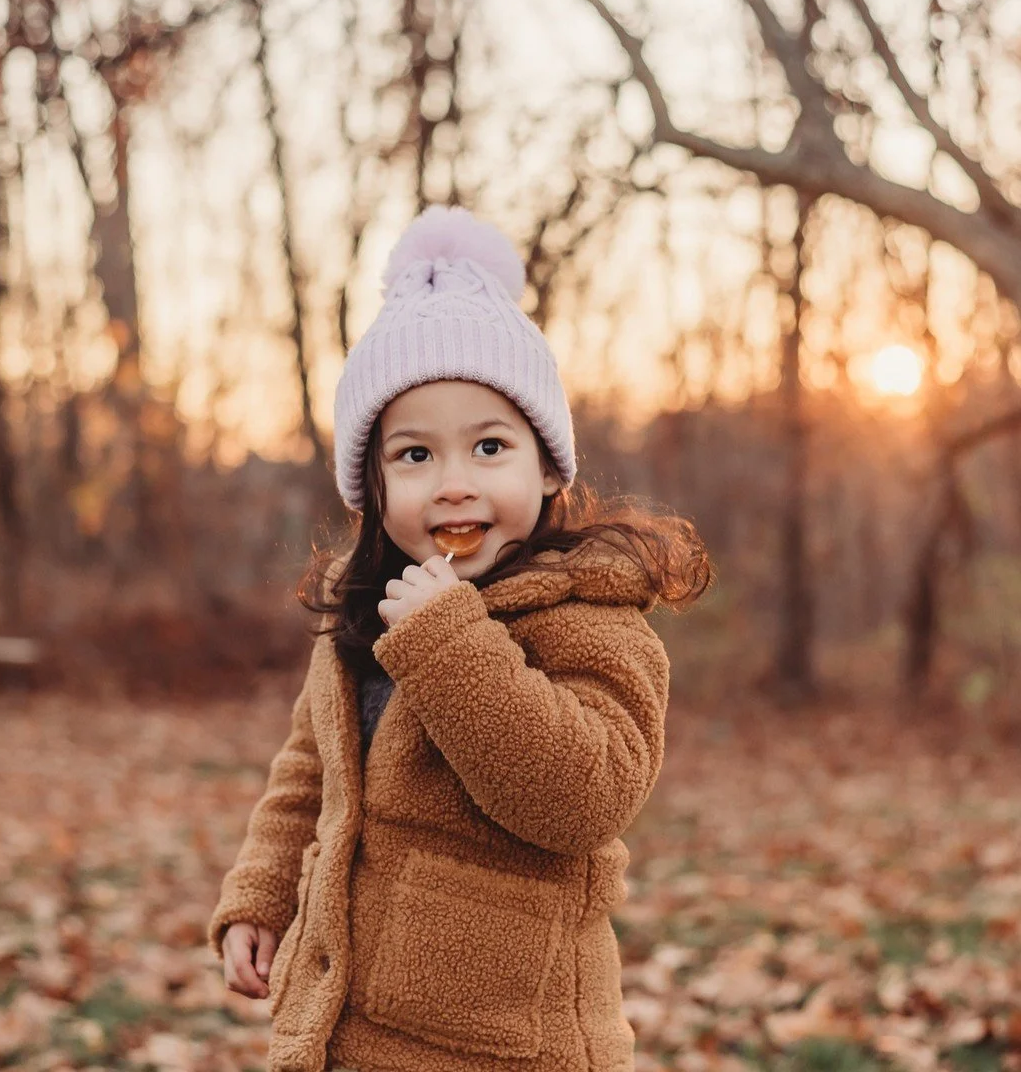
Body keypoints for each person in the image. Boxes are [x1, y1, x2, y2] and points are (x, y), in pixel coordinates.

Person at [207, 205, 710, 1072]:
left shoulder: (591, 614)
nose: (453, 485)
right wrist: (262, 893)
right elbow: (307, 774)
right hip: (344, 1028)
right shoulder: (363, 614)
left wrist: (450, 644)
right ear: (371, 485)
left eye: (488, 445)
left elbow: (584, 797)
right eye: (414, 456)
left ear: (548, 464)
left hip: (507, 1043)